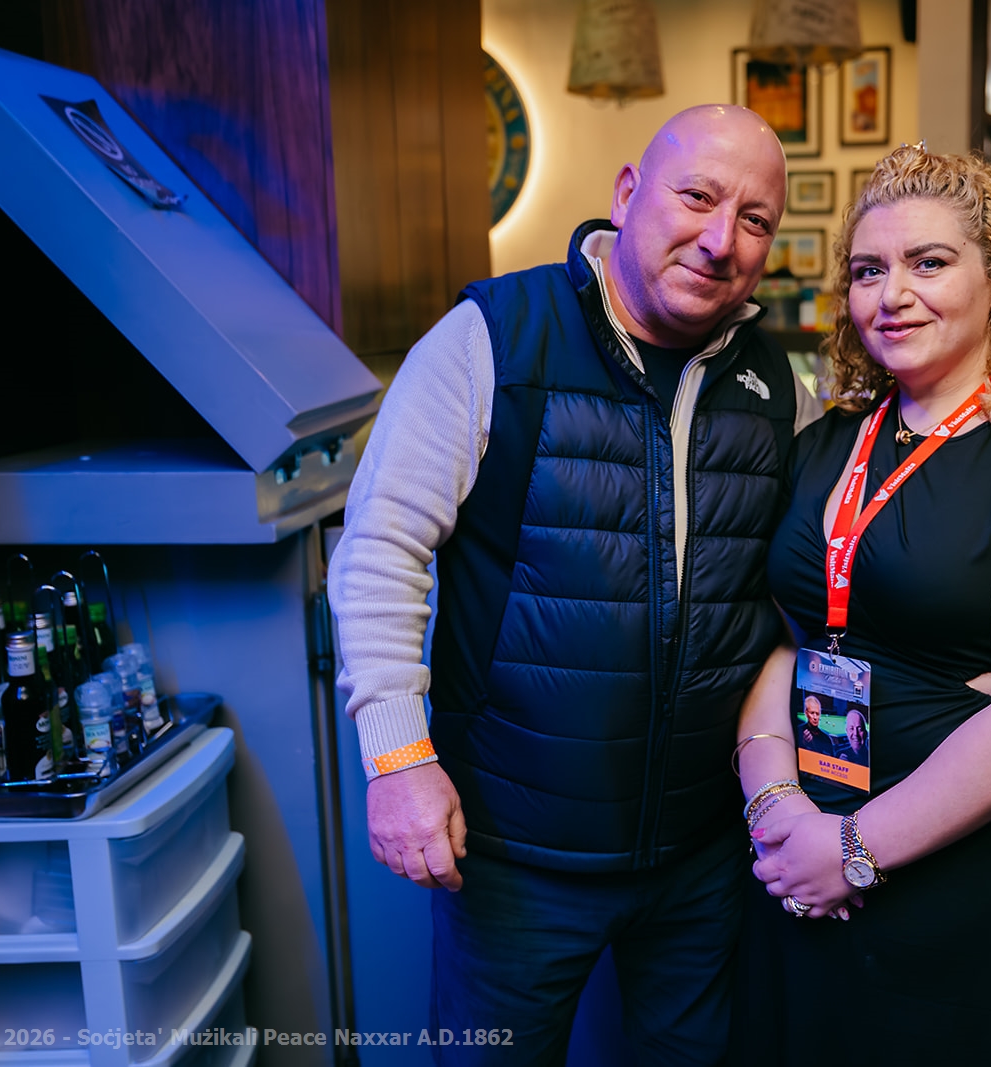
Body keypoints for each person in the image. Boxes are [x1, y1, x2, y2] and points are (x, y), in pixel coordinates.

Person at [329, 104, 820, 1063]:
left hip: (705, 855)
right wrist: (397, 758)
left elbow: (812, 578)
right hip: (513, 857)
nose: (720, 239)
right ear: (628, 194)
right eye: (697, 197)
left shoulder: (775, 384)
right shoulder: (493, 339)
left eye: (755, 220)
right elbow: (382, 544)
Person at [733, 144, 991, 1063]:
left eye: (928, 263)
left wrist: (855, 847)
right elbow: (785, 641)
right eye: (867, 271)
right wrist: (777, 808)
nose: (892, 295)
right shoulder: (824, 443)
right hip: (809, 846)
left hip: (985, 869)